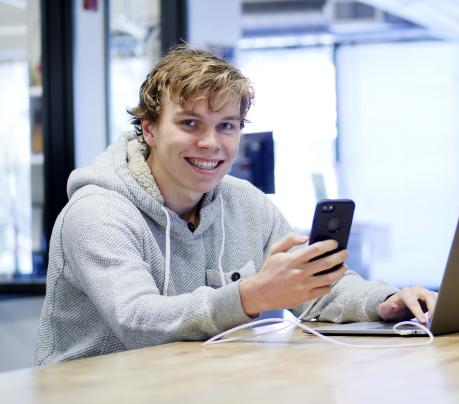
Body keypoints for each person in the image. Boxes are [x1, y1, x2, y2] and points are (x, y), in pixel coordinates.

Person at [35, 45, 436, 365]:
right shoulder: (97, 213)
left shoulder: (246, 204)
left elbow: (317, 291)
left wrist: (384, 303)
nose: (211, 143)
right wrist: (252, 295)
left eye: (226, 125)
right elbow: (137, 322)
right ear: (150, 129)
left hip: (196, 385)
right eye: (190, 123)